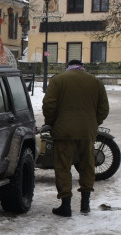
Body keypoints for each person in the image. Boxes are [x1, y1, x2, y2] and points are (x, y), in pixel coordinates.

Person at [41, 59, 110, 216]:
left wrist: (51, 123)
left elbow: (49, 105)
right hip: (87, 131)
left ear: (68, 68)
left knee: (63, 166)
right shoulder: (95, 82)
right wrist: (93, 122)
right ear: (82, 67)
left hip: (63, 131)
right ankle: (85, 204)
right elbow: (104, 109)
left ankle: (65, 205)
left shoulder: (58, 80)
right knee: (87, 164)